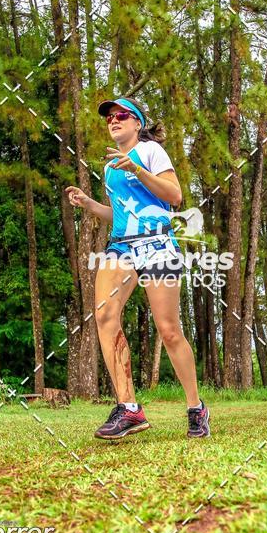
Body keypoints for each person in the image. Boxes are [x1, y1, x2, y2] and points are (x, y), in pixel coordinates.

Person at [65, 96, 210, 440]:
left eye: (121, 115)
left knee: (169, 330)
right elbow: (120, 214)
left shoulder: (150, 152)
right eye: (109, 118)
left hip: (158, 243)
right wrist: (89, 204)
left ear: (137, 123)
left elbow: (174, 196)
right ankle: (129, 408)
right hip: (121, 246)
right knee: (103, 314)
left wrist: (137, 170)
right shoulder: (109, 167)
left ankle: (196, 408)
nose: (113, 121)